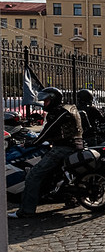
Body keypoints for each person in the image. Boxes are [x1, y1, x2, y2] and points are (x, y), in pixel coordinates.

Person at [9, 87, 83, 218]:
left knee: (33, 175)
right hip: (76, 145)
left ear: (53, 100)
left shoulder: (58, 113)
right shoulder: (69, 108)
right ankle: (71, 198)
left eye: (47, 101)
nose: (44, 103)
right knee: (57, 175)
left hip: (62, 148)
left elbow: (48, 130)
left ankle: (26, 211)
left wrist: (31, 143)